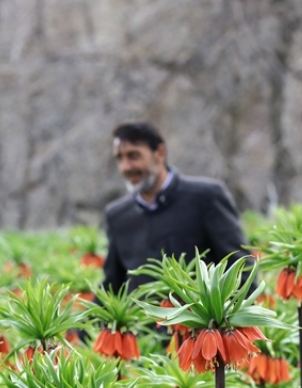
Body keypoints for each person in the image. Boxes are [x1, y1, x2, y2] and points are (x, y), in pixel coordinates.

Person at [102, 122, 252, 291]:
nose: (126, 167)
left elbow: (240, 265)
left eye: (134, 156)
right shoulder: (117, 215)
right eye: (119, 158)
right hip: (142, 317)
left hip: (202, 317)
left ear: (159, 153)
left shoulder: (206, 197)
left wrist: (228, 315)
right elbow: (112, 284)